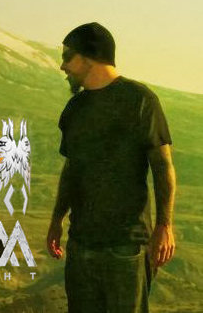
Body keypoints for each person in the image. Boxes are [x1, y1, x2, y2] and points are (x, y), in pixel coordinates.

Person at [46, 22, 176, 313]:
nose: (62, 66)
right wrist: (57, 219)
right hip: (81, 243)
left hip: (126, 246)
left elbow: (162, 167)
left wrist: (164, 226)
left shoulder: (141, 100)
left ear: (90, 56)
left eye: (68, 56)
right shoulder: (75, 108)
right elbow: (71, 170)